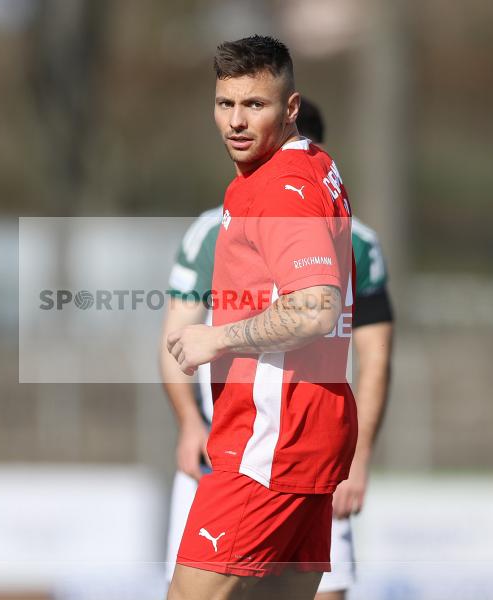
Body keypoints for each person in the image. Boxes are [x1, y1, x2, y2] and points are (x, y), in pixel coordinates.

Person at [161, 98, 394, 600]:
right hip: (243, 444)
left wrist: (362, 455)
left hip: (269, 444)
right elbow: (176, 336)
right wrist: (189, 423)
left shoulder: (352, 237)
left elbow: (370, 351)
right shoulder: (217, 227)